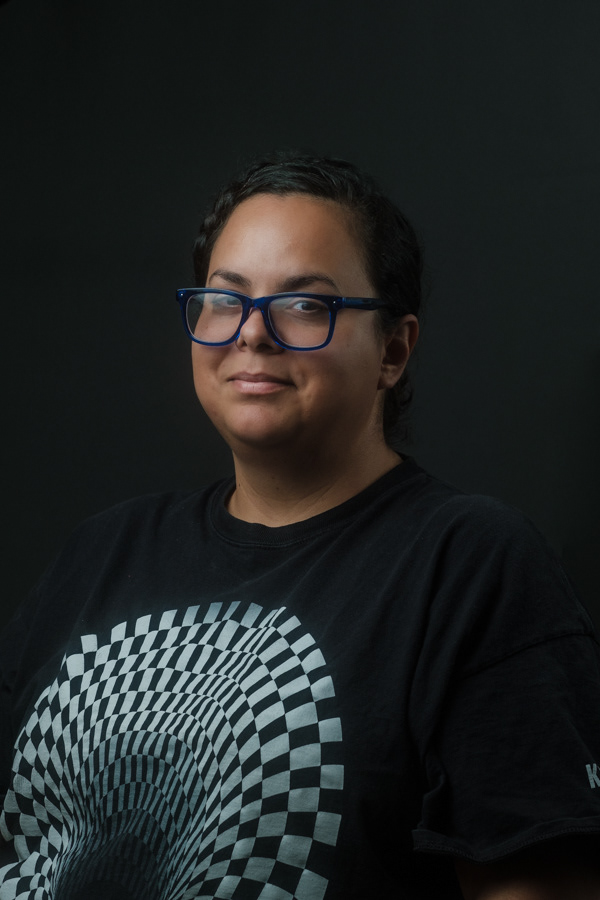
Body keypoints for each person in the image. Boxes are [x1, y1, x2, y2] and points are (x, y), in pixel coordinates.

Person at [1, 151, 599, 900]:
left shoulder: (466, 563)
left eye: (306, 305)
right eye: (225, 299)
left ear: (393, 350)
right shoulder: (103, 552)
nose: (253, 334)